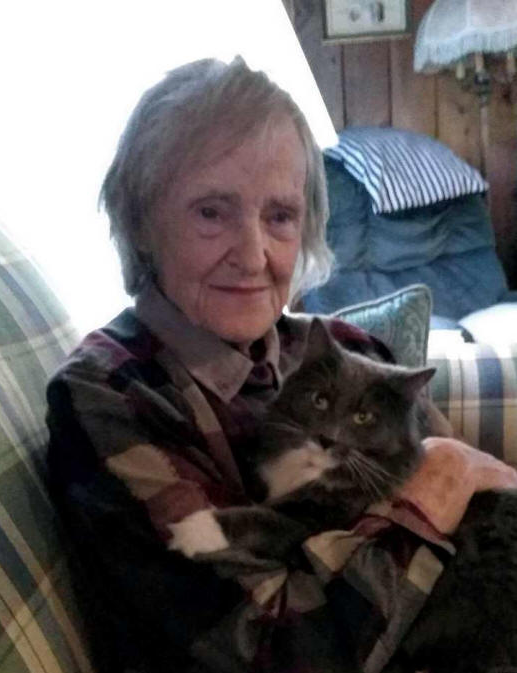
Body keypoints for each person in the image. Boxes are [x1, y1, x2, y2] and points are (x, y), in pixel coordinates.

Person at [46, 56, 517, 673]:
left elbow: (475, 522)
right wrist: (430, 496)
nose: (253, 255)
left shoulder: (347, 349)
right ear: (142, 223)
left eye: (280, 216)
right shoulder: (116, 394)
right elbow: (273, 651)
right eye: (211, 212)